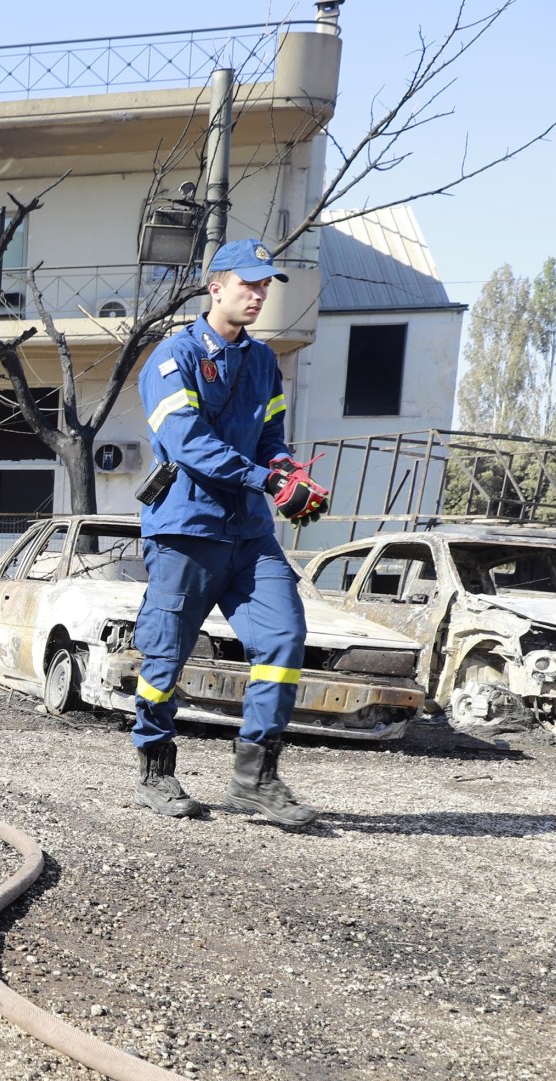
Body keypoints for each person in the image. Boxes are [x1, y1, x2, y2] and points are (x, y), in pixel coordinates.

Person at [130, 238, 330, 828]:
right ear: (215, 286)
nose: (260, 294)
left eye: (266, 285)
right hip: (186, 528)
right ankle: (156, 769)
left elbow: (270, 439)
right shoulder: (172, 359)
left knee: (285, 636)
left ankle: (255, 778)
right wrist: (265, 482)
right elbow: (187, 443)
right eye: (250, 283)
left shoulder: (264, 362)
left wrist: (290, 473)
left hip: (247, 533)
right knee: (164, 655)